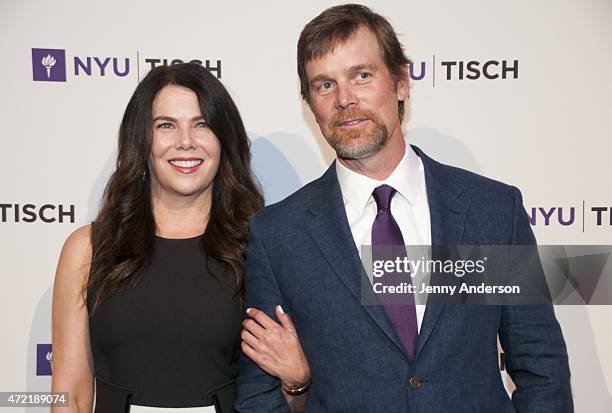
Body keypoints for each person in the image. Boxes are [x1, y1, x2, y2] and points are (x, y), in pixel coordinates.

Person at [236, 4, 573, 412]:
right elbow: (259, 394)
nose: (345, 99)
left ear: (400, 82)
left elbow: (541, 365)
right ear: (311, 104)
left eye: (362, 75)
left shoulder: (491, 212)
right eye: (324, 85)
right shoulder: (279, 234)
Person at [51, 63, 308, 413]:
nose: (185, 142)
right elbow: (70, 395)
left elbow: (285, 401)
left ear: (223, 139)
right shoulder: (87, 248)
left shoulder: (261, 246)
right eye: (166, 125)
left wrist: (297, 381)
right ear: (141, 141)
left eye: (202, 124)